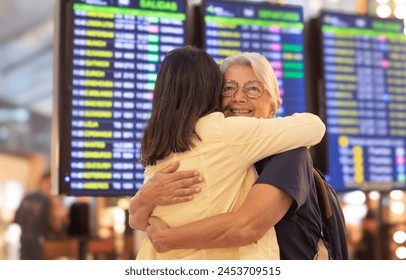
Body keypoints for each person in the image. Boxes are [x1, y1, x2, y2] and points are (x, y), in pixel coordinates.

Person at [129, 48, 326, 260]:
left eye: (253, 89)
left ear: (274, 105)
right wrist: (145, 197)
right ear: (213, 94)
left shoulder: (290, 154)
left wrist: (169, 238)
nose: (239, 98)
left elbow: (247, 226)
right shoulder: (222, 135)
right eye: (228, 88)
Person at [14, 170, 67, 259]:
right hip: (42, 250)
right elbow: (57, 228)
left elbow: (16, 220)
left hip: (25, 246)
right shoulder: (49, 201)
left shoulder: (27, 197)